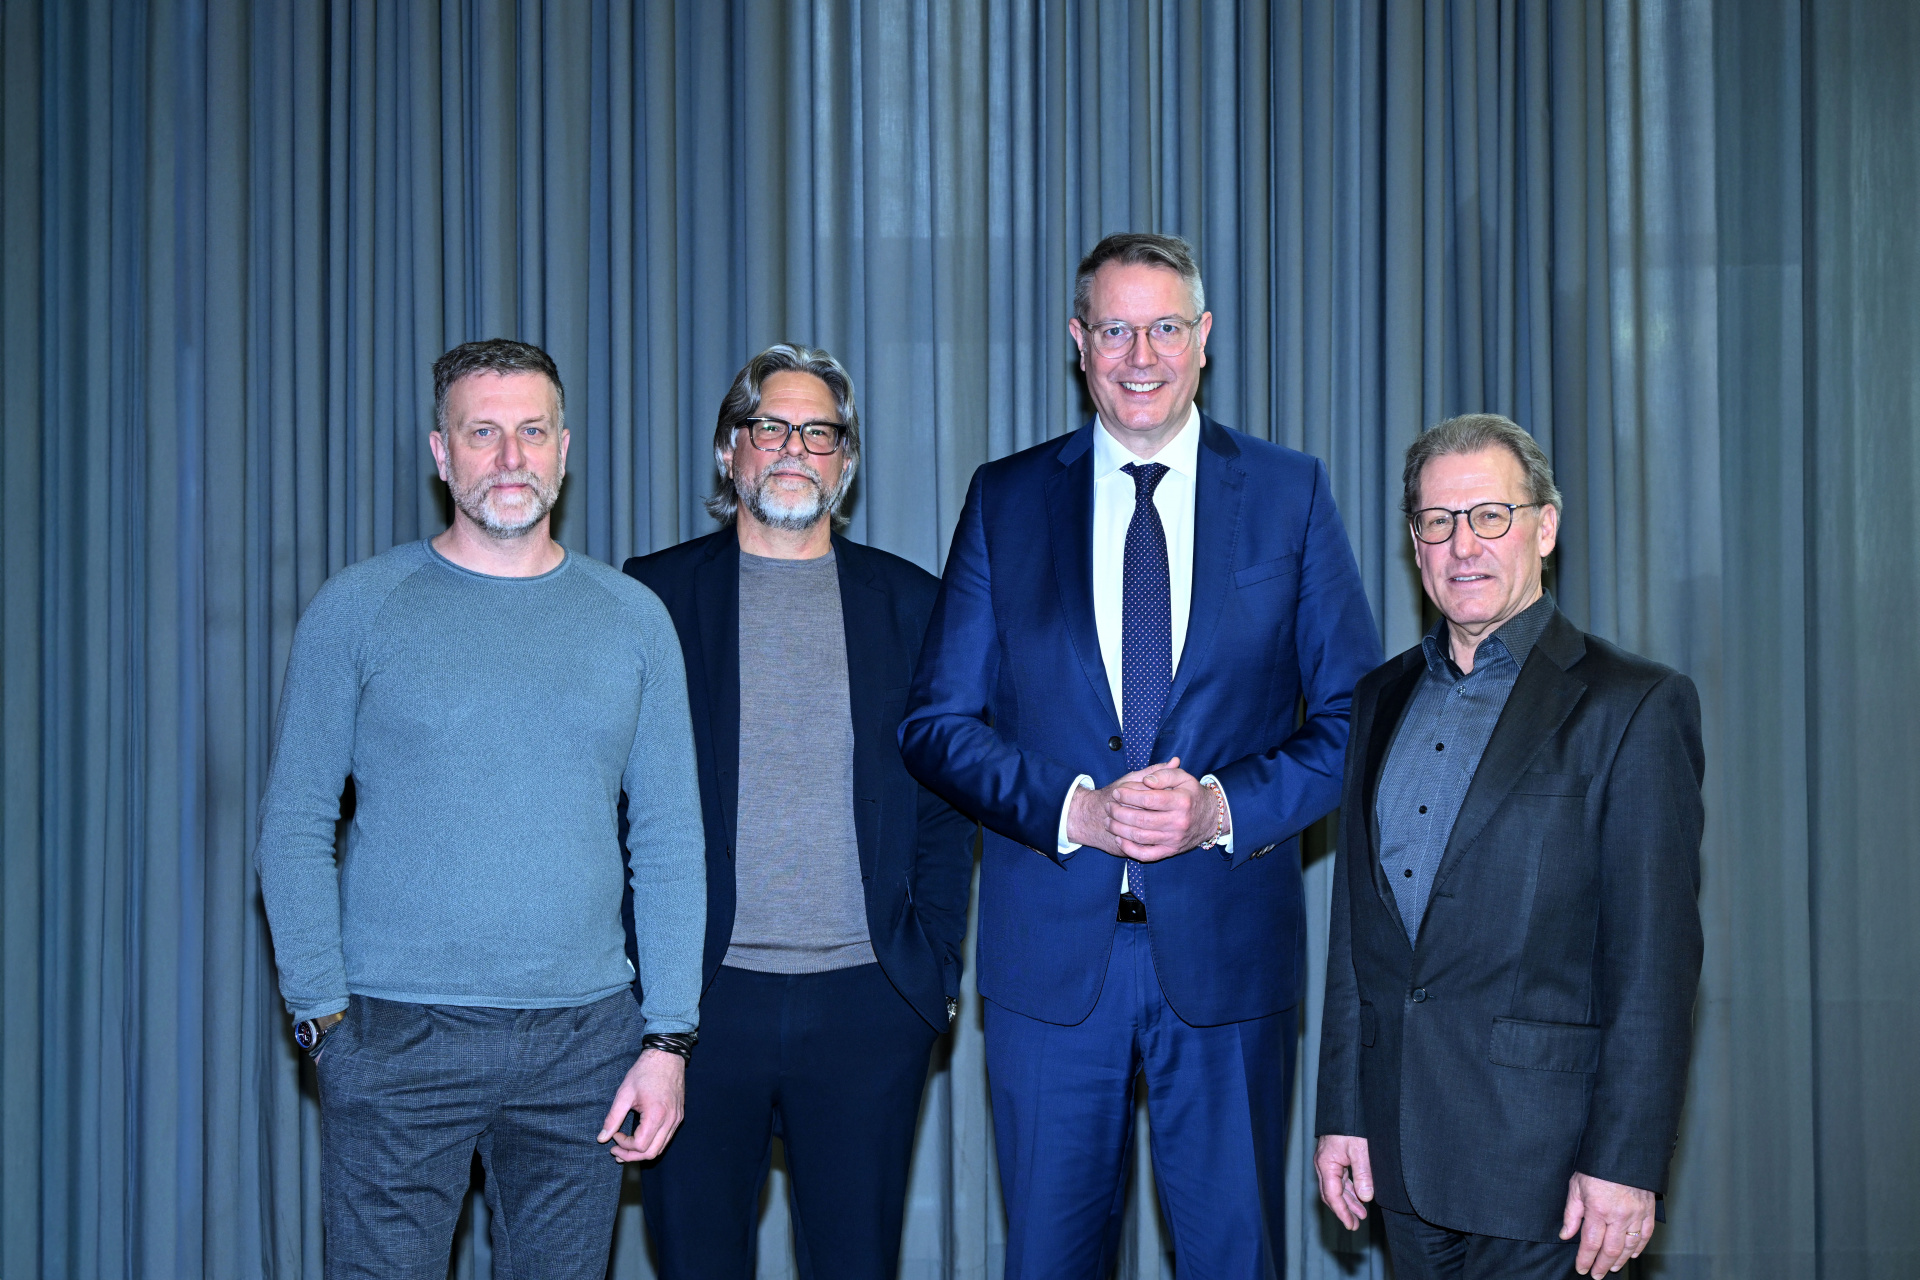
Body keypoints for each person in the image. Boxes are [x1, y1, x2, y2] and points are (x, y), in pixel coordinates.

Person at [899, 232, 1381, 1275]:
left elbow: (1357, 719)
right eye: (1114, 328)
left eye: (1165, 325)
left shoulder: (1291, 495)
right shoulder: (1006, 499)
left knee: (1233, 1258)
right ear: (1079, 343)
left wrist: (1221, 806)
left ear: (1204, 339)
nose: (1141, 353)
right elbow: (936, 721)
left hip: (1227, 964)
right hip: (1050, 973)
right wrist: (1072, 808)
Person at [253, 339, 707, 1279]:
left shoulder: (632, 619)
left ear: (565, 448)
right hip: (393, 1038)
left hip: (585, 1042)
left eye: (531, 432)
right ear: (441, 452)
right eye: (483, 433)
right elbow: (294, 823)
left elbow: (668, 841)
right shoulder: (360, 607)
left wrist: (667, 1037)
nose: (510, 458)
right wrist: (323, 1024)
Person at [1314, 414, 1705, 1280]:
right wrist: (1344, 1108)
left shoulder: (1632, 705)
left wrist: (1626, 1163)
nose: (1464, 545)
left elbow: (1656, 960)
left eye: (1491, 515)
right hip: (1404, 1156)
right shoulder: (1377, 699)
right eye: (1438, 521)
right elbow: (1355, 932)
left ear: (1545, 527)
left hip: (1551, 1174)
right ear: (1415, 544)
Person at [623, 344, 977, 1279]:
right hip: (700, 1007)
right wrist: (638, 980)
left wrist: (931, 972)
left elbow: (948, 802)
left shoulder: (914, 605)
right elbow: (608, 799)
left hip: (869, 1005)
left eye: (818, 432)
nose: (793, 448)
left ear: (845, 462)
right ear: (728, 452)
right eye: (769, 427)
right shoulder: (648, 599)